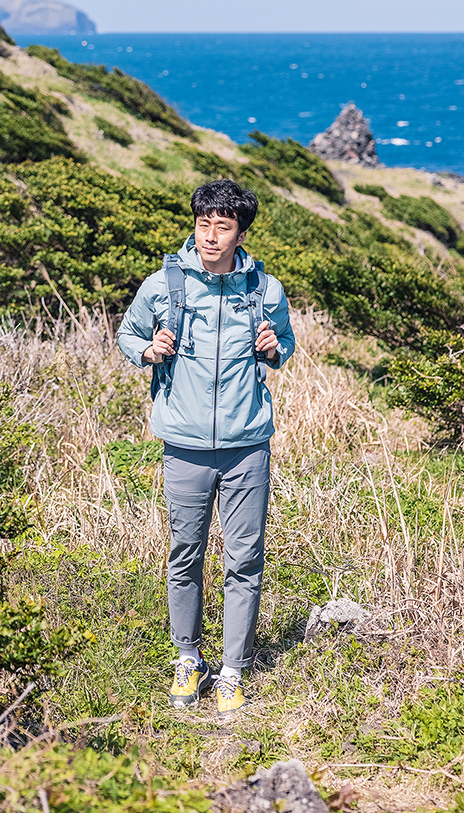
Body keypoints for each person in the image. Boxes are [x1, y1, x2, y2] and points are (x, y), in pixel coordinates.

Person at [117, 178, 295, 719]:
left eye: (223, 226)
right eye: (204, 224)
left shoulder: (265, 289)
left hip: (247, 446)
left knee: (244, 561)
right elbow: (126, 334)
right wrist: (148, 349)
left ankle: (234, 671)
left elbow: (285, 343)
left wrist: (274, 348)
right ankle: (188, 659)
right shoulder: (165, 284)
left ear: (241, 232)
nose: (211, 235)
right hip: (185, 444)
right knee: (184, 557)